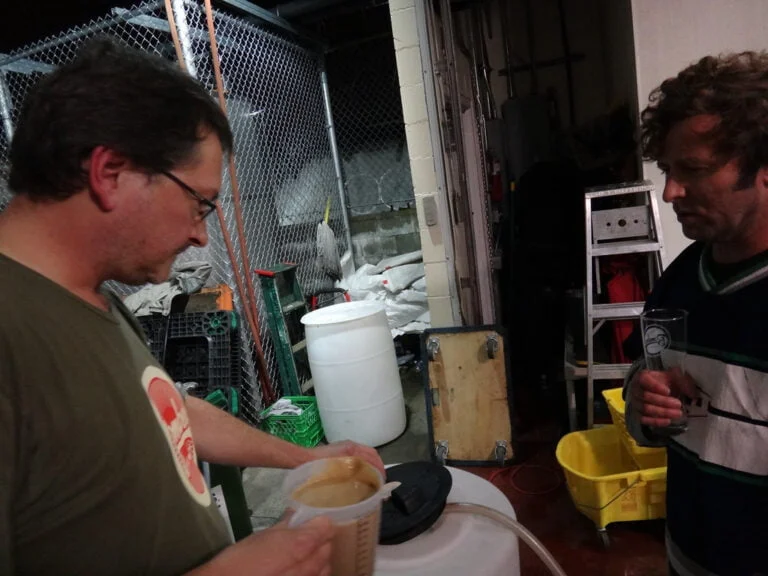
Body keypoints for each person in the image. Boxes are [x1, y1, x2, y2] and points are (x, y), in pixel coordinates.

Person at [0, 38, 383, 576]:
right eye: (199, 202)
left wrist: (306, 459)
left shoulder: (95, 298)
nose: (203, 236)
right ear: (111, 173)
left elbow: (166, 411)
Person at [625, 51, 768, 576]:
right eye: (667, 169)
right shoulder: (676, 282)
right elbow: (653, 403)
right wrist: (644, 405)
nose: (670, 192)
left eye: (695, 170)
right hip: (686, 557)